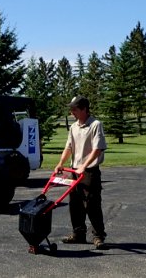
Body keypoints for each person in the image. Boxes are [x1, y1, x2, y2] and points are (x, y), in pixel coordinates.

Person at [54, 95, 108, 250]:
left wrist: (84, 166)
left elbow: (97, 149)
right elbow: (69, 148)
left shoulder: (95, 125)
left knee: (91, 204)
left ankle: (98, 236)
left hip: (89, 172)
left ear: (84, 109)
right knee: (75, 204)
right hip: (74, 171)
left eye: (75, 109)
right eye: (71, 109)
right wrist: (60, 164)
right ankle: (78, 233)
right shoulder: (73, 127)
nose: (72, 112)